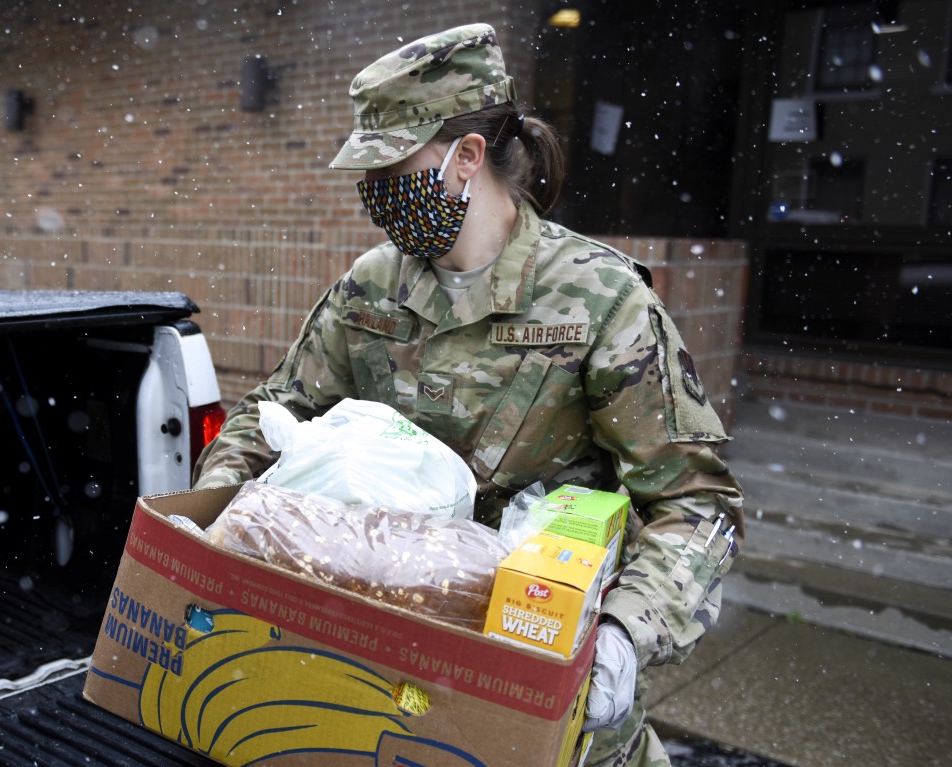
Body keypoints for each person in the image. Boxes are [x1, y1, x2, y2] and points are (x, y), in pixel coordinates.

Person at [192, 22, 744, 767]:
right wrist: (208, 519)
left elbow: (694, 503)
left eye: (391, 169)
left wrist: (622, 635)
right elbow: (273, 413)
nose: (374, 193)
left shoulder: (598, 298)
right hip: (370, 678)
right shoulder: (372, 287)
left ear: (467, 156)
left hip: (542, 690)